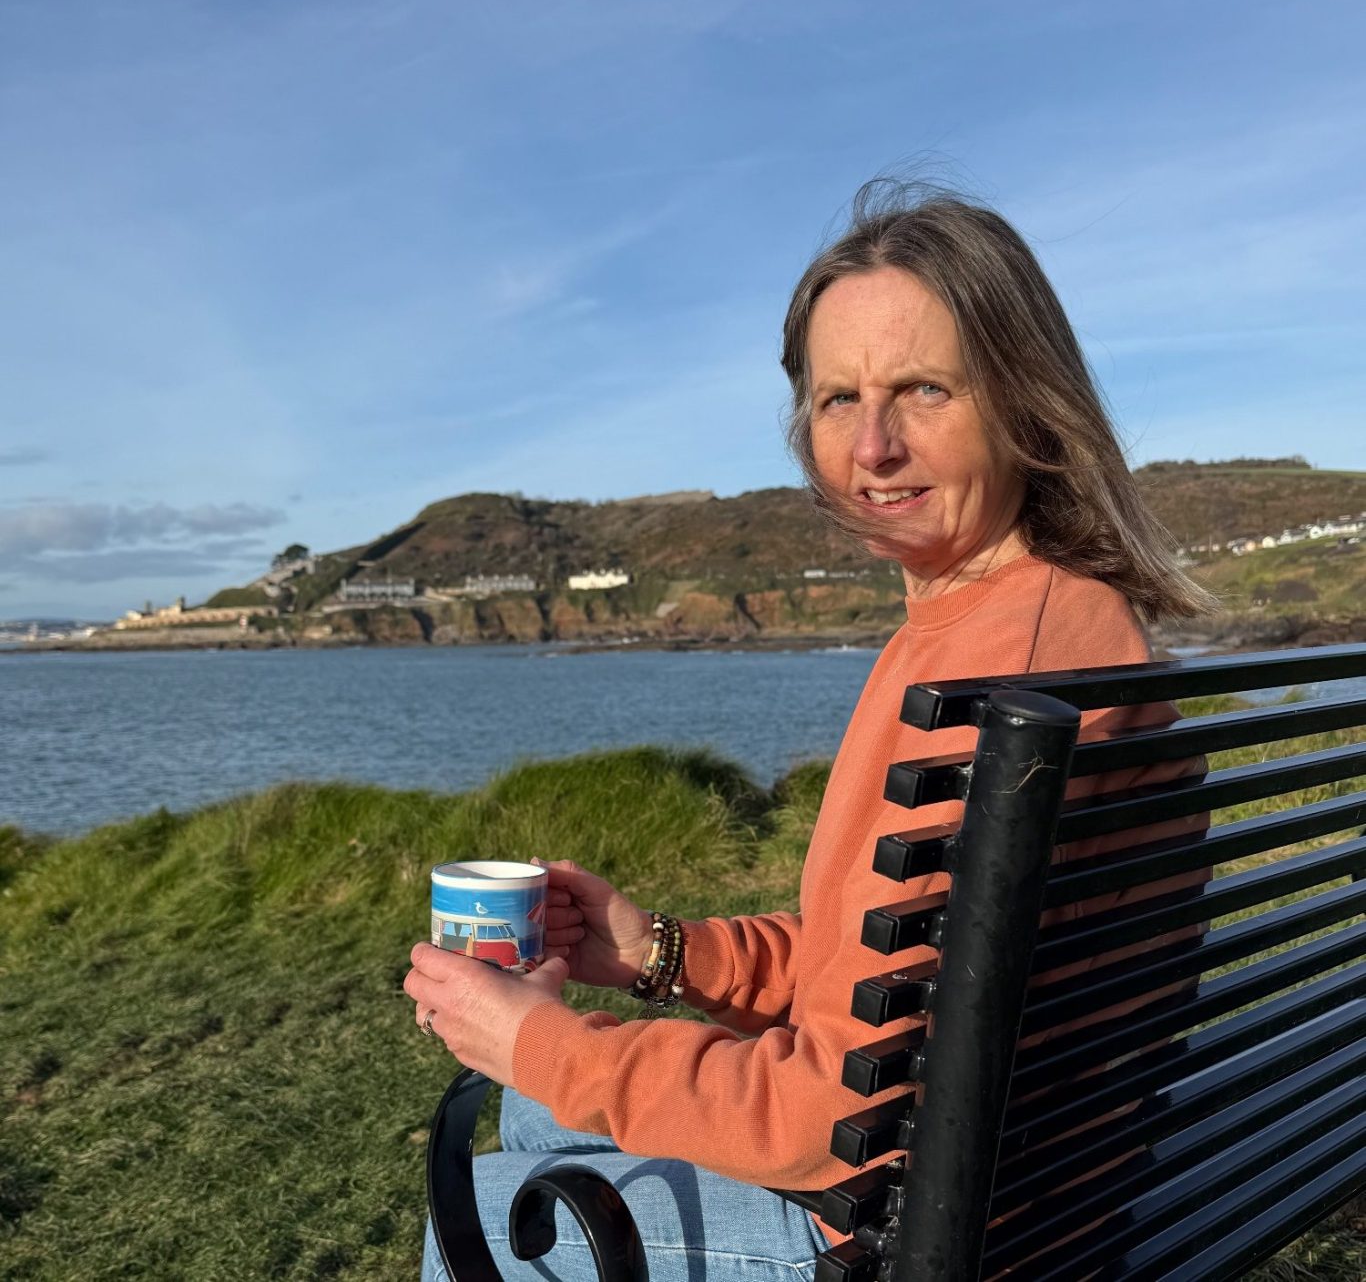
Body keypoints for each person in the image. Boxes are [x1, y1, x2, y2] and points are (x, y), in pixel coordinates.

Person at [404, 182, 1216, 1281]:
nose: (872, 445)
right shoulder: (1029, 614)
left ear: (1026, 401)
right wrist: (659, 953)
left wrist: (540, 1038)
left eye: (922, 389)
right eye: (838, 400)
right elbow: (887, 968)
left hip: (933, 1240)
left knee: (487, 1210)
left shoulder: (996, 672)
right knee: (539, 1114)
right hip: (1041, 1181)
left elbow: (830, 1113)